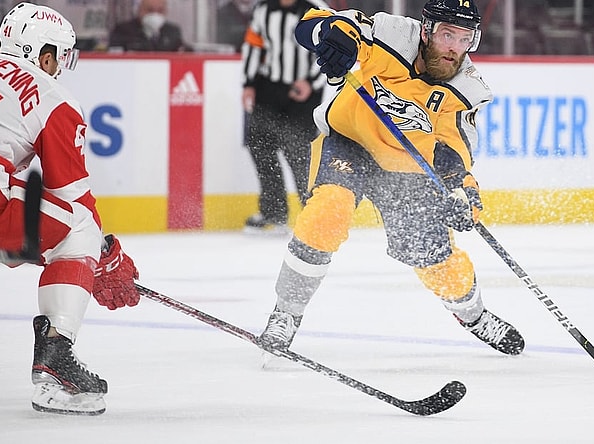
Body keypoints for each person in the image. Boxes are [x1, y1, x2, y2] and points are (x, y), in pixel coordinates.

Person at [257, 0, 525, 356]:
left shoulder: (467, 89)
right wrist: (334, 39)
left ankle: (474, 317)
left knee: (433, 258)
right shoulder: (391, 34)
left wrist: (464, 193)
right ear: (426, 30)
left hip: (407, 169)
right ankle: (286, 314)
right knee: (328, 213)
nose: (454, 49)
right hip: (350, 144)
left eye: (465, 39)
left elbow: (455, 153)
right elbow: (316, 24)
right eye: (447, 35)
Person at [0, 3, 140, 415]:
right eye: (60, 57)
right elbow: (72, 196)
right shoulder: (53, 97)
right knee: (79, 227)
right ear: (44, 55)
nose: (60, 67)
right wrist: (101, 256)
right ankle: (56, 361)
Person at [240, 0, 328, 233]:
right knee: (261, 146)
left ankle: (314, 215)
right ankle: (274, 211)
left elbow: (331, 50)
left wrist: (310, 82)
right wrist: (248, 84)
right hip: (269, 88)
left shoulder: (317, 9)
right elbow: (253, 46)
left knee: (299, 153)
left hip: (303, 95)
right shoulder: (263, 9)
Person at [108, 0, 191, 52]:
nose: (155, 14)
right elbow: (114, 55)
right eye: (150, 10)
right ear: (139, 10)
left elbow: (182, 50)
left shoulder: (172, 31)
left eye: (160, 11)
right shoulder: (122, 30)